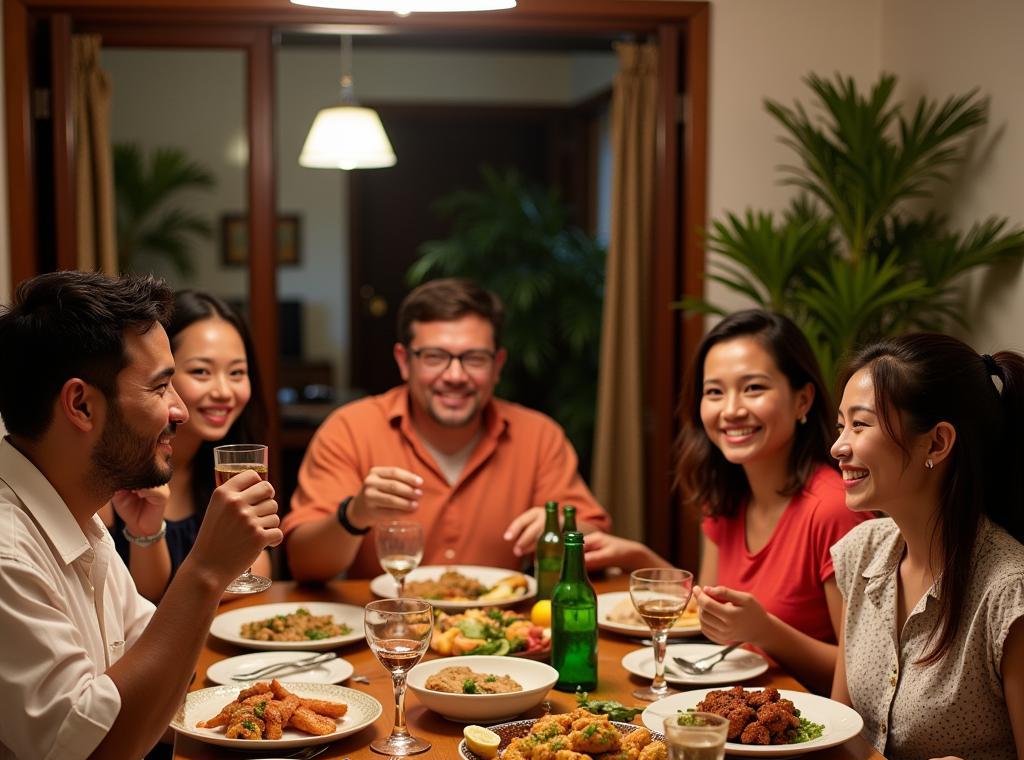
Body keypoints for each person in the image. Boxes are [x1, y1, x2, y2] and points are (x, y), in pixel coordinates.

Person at [0, 271, 281, 760]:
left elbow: (159, 676)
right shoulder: (5, 554)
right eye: (161, 386)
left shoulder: (78, 514)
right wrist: (207, 571)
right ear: (81, 405)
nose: (181, 410)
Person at [585, 310, 870, 693]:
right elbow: (709, 614)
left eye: (753, 388)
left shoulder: (833, 509)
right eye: (715, 392)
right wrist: (638, 558)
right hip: (733, 707)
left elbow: (863, 675)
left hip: (803, 729)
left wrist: (767, 632)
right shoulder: (726, 497)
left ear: (802, 400)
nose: (731, 410)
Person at [830, 334, 1024, 760]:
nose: (838, 446)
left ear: (936, 443)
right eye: (841, 424)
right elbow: (840, 728)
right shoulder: (859, 553)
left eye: (861, 424)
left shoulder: (1008, 592)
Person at [283, 277, 610, 581]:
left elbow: (597, 541)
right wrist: (353, 515)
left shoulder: (538, 437)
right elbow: (304, 564)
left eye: (474, 358)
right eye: (435, 357)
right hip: (385, 634)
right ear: (403, 361)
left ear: (497, 366)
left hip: (503, 635)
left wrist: (560, 529)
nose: (455, 376)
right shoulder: (349, 430)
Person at [107, 290, 270, 602]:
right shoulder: (118, 476)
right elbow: (143, 599)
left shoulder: (229, 466)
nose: (224, 391)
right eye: (201, 372)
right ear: (161, 374)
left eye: (237, 372)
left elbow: (257, 568)